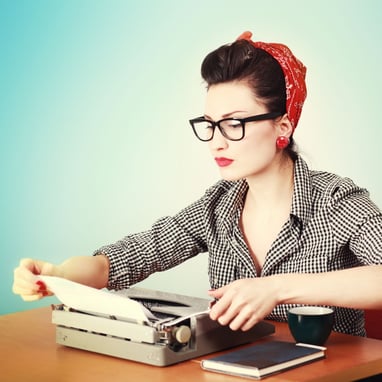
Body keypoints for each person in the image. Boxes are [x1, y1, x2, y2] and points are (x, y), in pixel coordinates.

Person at [13, 31, 382, 336]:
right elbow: (125, 259)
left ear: (282, 127)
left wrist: (277, 288)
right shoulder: (217, 206)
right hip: (239, 369)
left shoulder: (336, 201)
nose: (216, 141)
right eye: (209, 124)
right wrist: (58, 275)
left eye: (234, 123)